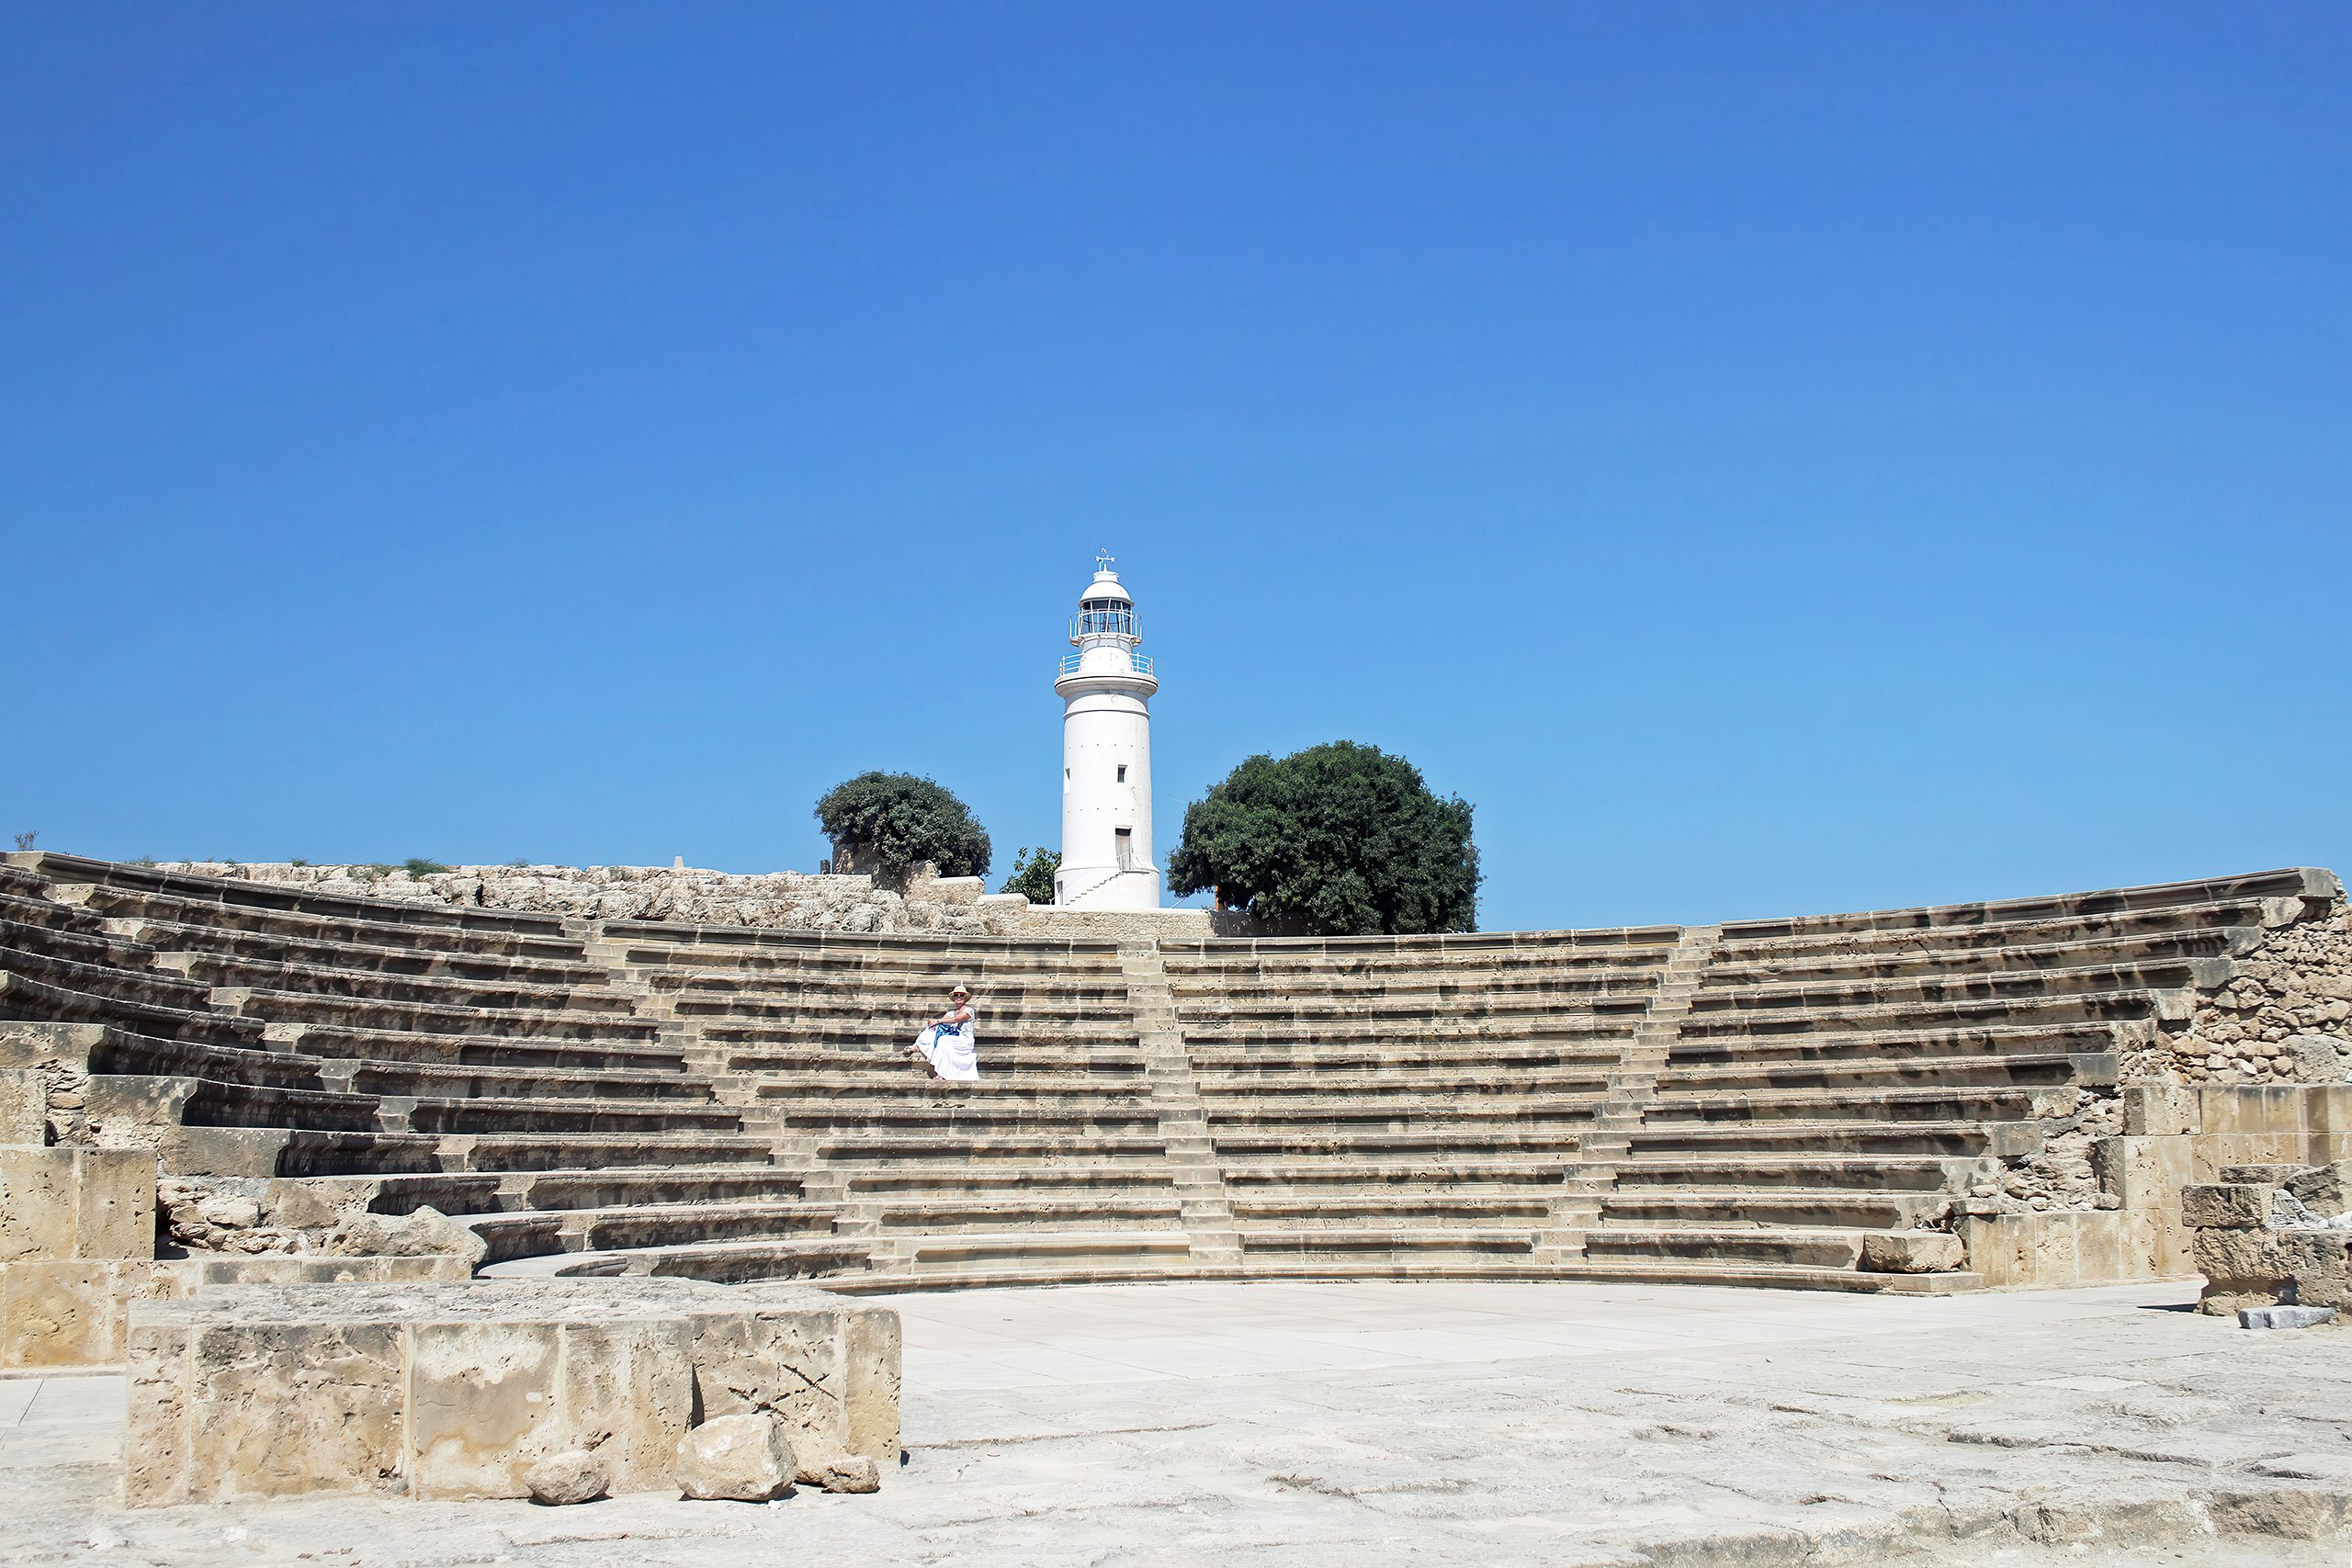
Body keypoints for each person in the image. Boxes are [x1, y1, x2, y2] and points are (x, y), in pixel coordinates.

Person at [907, 983, 980, 1080]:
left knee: (944, 1040)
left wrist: (937, 1021)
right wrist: (933, 1023)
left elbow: (957, 1019)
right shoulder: (950, 1013)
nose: (959, 997)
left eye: (961, 995)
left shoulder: (969, 1010)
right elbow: (942, 1021)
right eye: (956, 995)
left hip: (964, 1040)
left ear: (965, 997)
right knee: (934, 1029)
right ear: (953, 997)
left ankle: (942, 1073)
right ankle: (918, 1045)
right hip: (954, 1036)